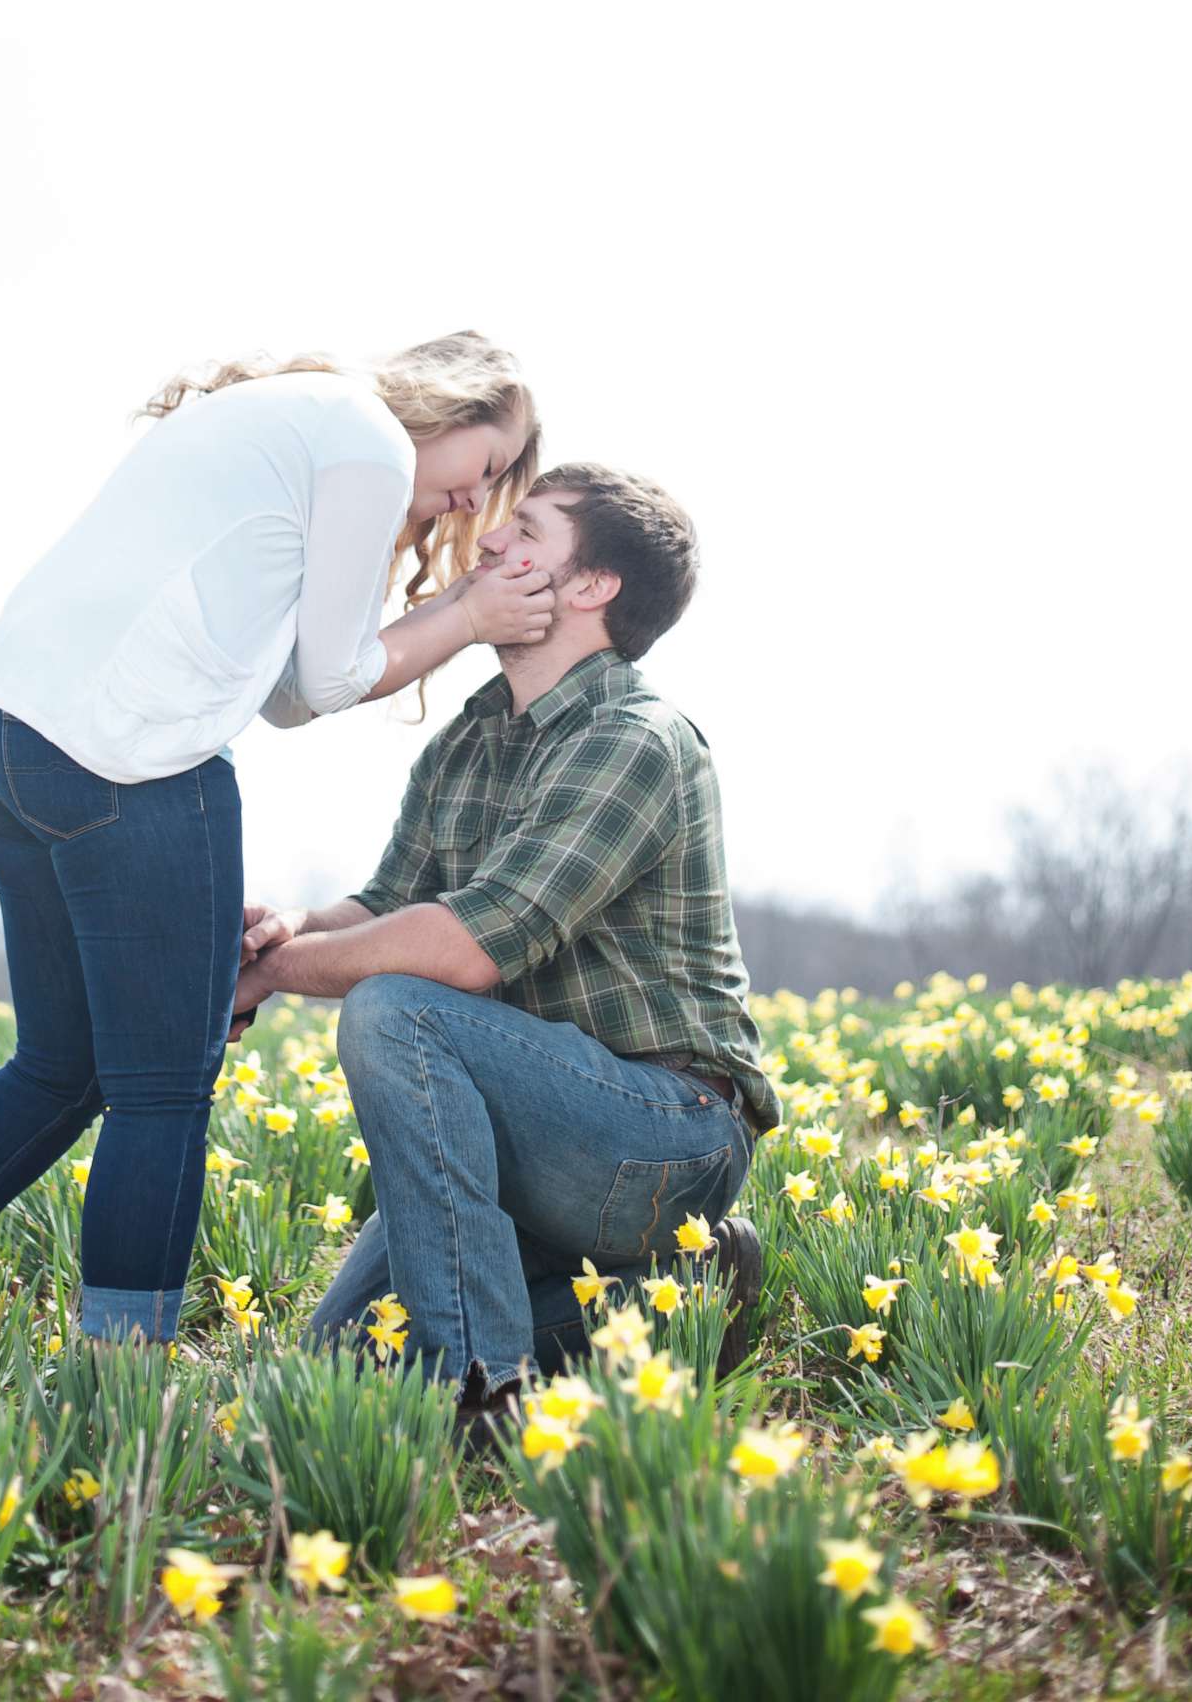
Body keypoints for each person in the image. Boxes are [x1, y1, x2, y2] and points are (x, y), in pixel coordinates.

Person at [0, 333, 544, 1424]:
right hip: (133, 765)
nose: (473, 497)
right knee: (163, 1092)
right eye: (489, 463)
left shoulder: (295, 421)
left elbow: (296, 692)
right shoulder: (370, 442)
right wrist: (473, 620)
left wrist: (434, 617)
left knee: (59, 1068)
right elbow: (336, 677)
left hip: (5, 739)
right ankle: (120, 1402)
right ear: (452, 402)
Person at [228, 462, 779, 1428]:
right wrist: (275, 936)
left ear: (589, 587)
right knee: (341, 1367)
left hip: (661, 1132)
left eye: (525, 530)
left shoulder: (633, 739)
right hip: (524, 1121)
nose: (487, 542)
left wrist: (272, 979)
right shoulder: (471, 740)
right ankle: (682, 1293)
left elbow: (463, 950)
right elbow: (388, 907)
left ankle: (486, 1391)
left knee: (395, 1008)